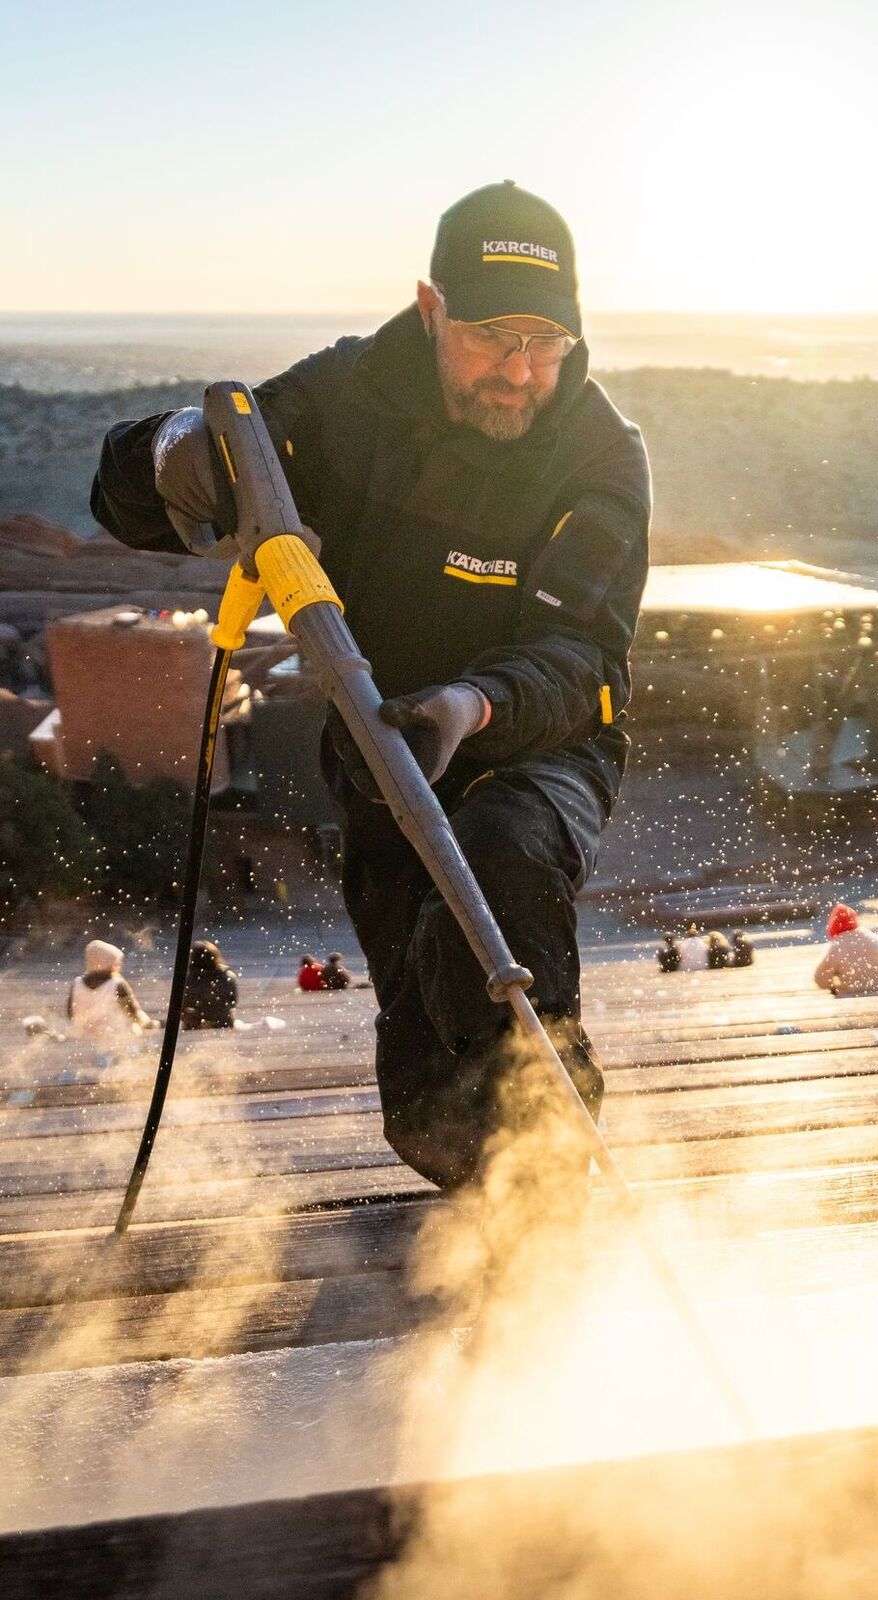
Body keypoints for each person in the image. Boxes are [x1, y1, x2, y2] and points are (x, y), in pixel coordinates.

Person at [93, 182, 649, 1196]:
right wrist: (177, 455)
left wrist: (468, 707)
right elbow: (153, 480)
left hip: (538, 742)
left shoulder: (600, 454)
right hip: (378, 749)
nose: (521, 373)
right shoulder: (349, 400)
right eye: (491, 338)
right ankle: (481, 1164)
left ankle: (556, 1192)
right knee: (430, 1113)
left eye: (548, 343)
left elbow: (579, 659)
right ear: (432, 307)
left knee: (501, 863)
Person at [67, 939, 154, 1043]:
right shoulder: (117, 984)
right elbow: (133, 1014)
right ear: (108, 963)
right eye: (116, 963)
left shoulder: (77, 983)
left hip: (83, 1036)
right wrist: (151, 1025)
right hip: (115, 1037)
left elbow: (71, 1014)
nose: (119, 967)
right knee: (142, 1031)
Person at [813, 903, 878, 998]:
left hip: (848, 998)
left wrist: (833, 987)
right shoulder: (874, 939)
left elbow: (820, 978)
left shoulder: (835, 947)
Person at [181, 940, 239, 1030]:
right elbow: (233, 1002)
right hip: (224, 1022)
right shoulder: (228, 977)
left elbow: (182, 1007)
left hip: (195, 1025)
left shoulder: (188, 981)